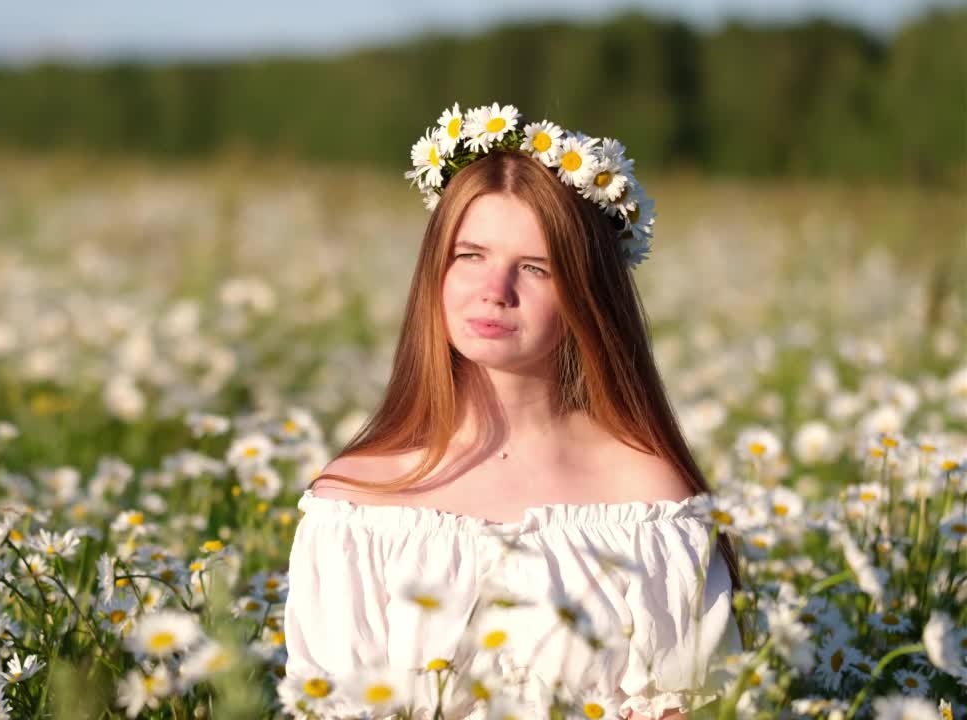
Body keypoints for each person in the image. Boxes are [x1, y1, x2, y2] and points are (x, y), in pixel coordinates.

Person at [278, 103, 745, 720]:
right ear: (435, 272)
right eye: (470, 255)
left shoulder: (648, 503)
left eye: (535, 267)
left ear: (587, 293)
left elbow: (694, 705)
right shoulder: (355, 505)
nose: (494, 290)